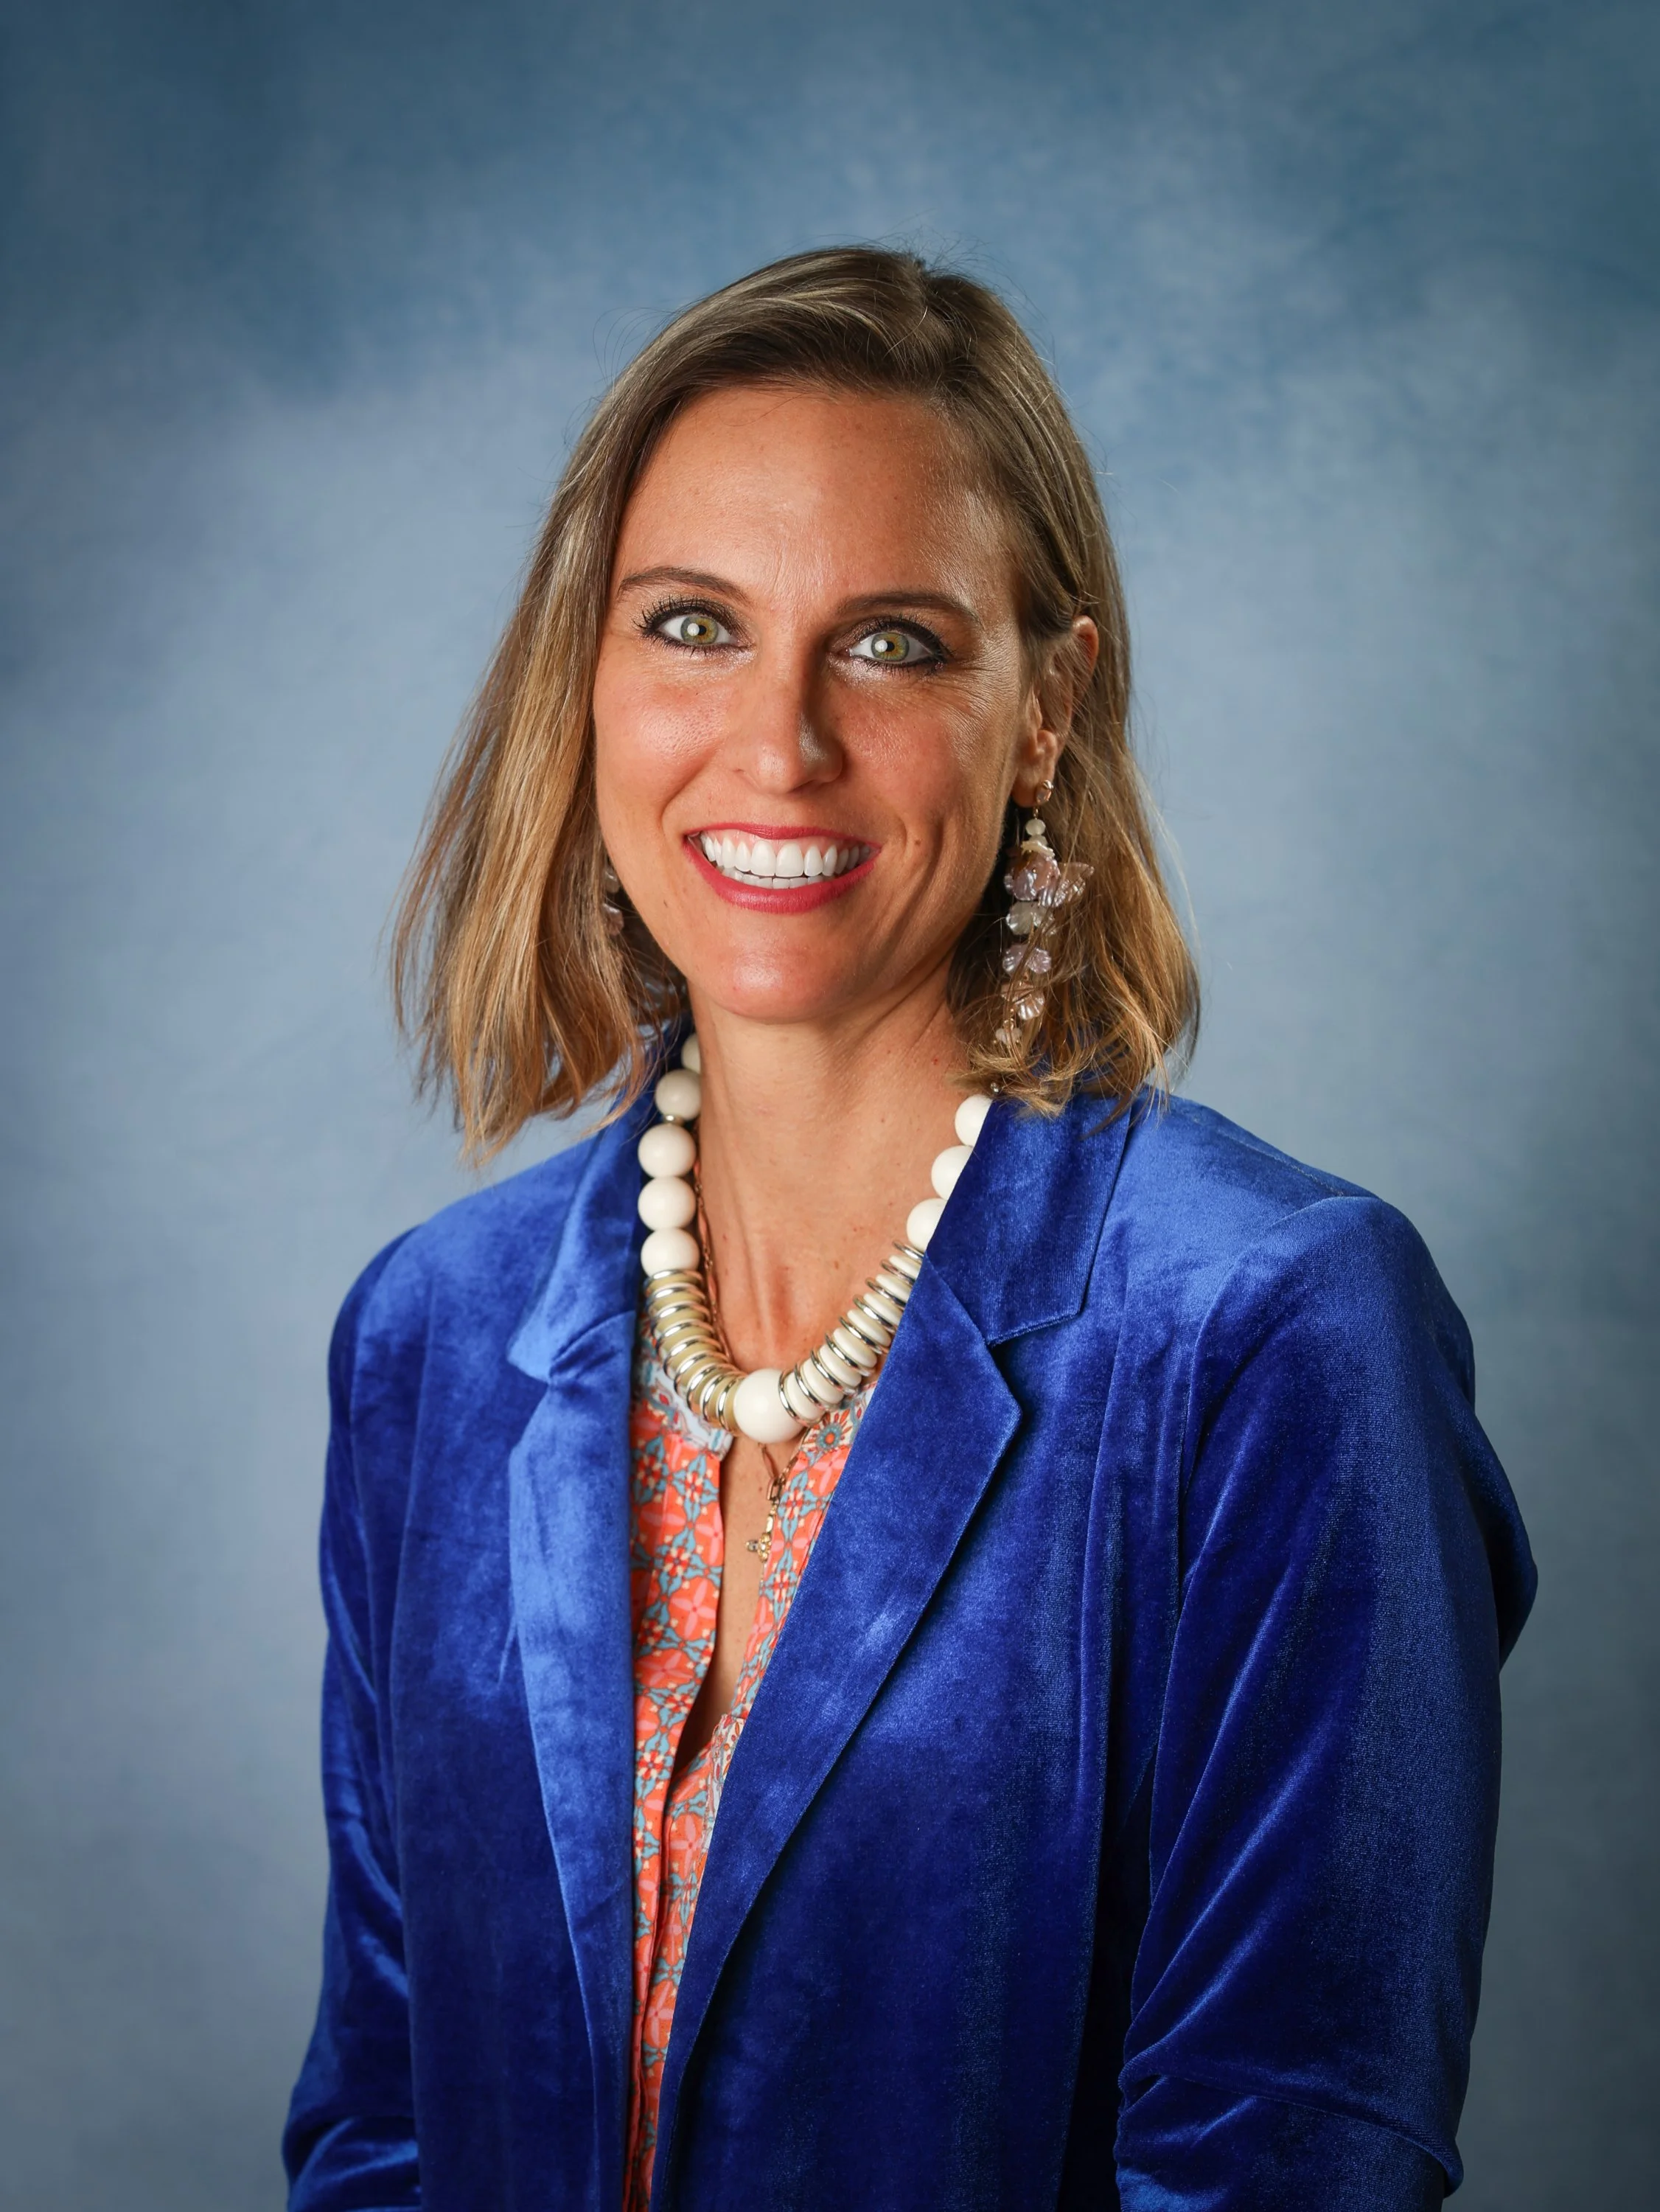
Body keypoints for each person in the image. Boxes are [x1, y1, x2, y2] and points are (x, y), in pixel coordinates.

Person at [282, 247, 1535, 2212]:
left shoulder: (1268, 1332)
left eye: (890, 644)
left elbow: (1288, 2156)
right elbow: (382, 2127)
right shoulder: (431, 1338)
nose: (776, 741)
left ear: (1046, 708)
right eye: (691, 624)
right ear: (585, 680)